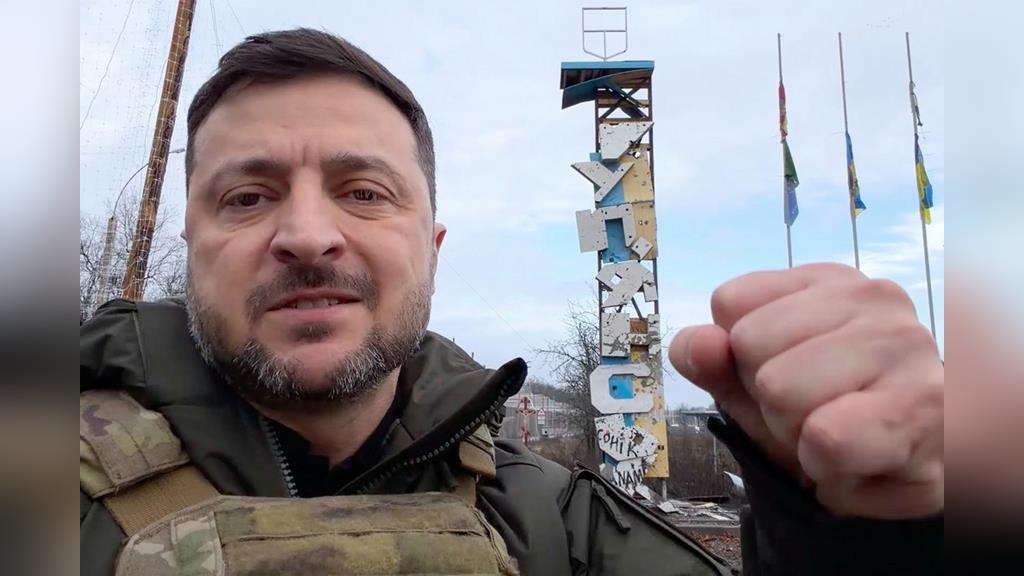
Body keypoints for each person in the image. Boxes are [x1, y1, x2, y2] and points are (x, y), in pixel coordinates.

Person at [80, 28, 943, 575]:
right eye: (247, 197)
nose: (308, 235)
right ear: (191, 244)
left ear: (433, 248)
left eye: (364, 193)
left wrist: (862, 536)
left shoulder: (560, 527)